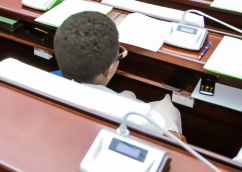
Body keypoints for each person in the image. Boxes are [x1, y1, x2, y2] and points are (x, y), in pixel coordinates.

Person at [54, 11, 183, 136]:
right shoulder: (141, 117)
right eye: (120, 54)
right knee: (167, 108)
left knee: (128, 94)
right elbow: (172, 143)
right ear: (108, 69)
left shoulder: (38, 83)